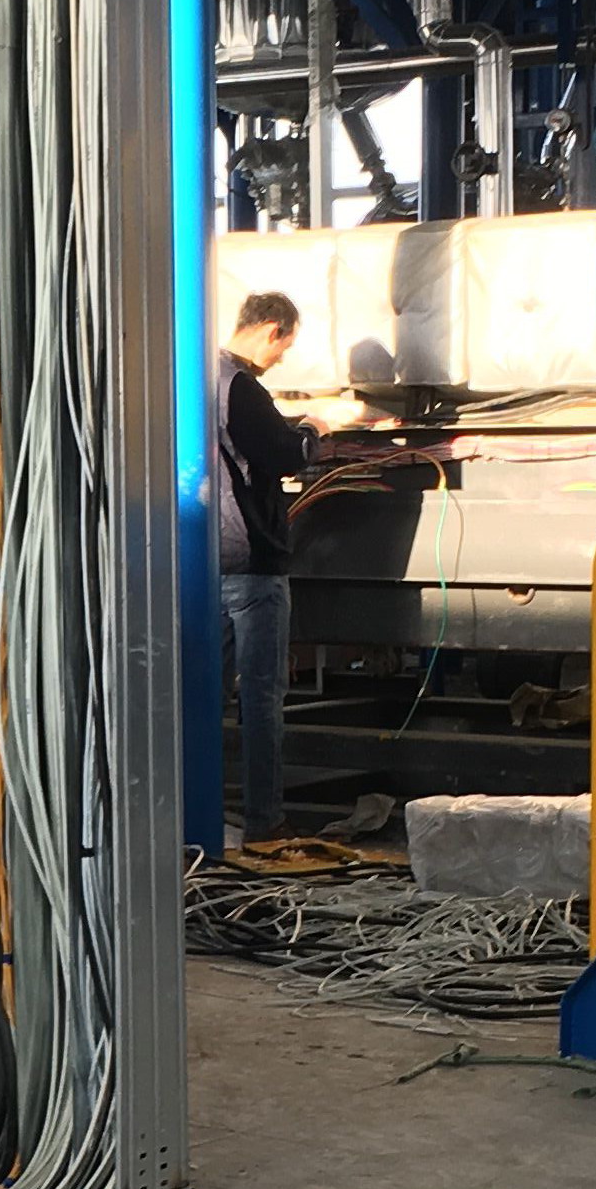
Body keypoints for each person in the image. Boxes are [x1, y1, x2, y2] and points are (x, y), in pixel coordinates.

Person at [217, 287, 315, 845]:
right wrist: (315, 429)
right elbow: (285, 453)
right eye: (286, 346)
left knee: (206, 694)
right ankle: (265, 821)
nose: (281, 358)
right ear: (271, 330)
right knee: (260, 698)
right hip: (253, 563)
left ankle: (198, 812)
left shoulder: (196, 379)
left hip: (208, 561)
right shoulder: (242, 387)